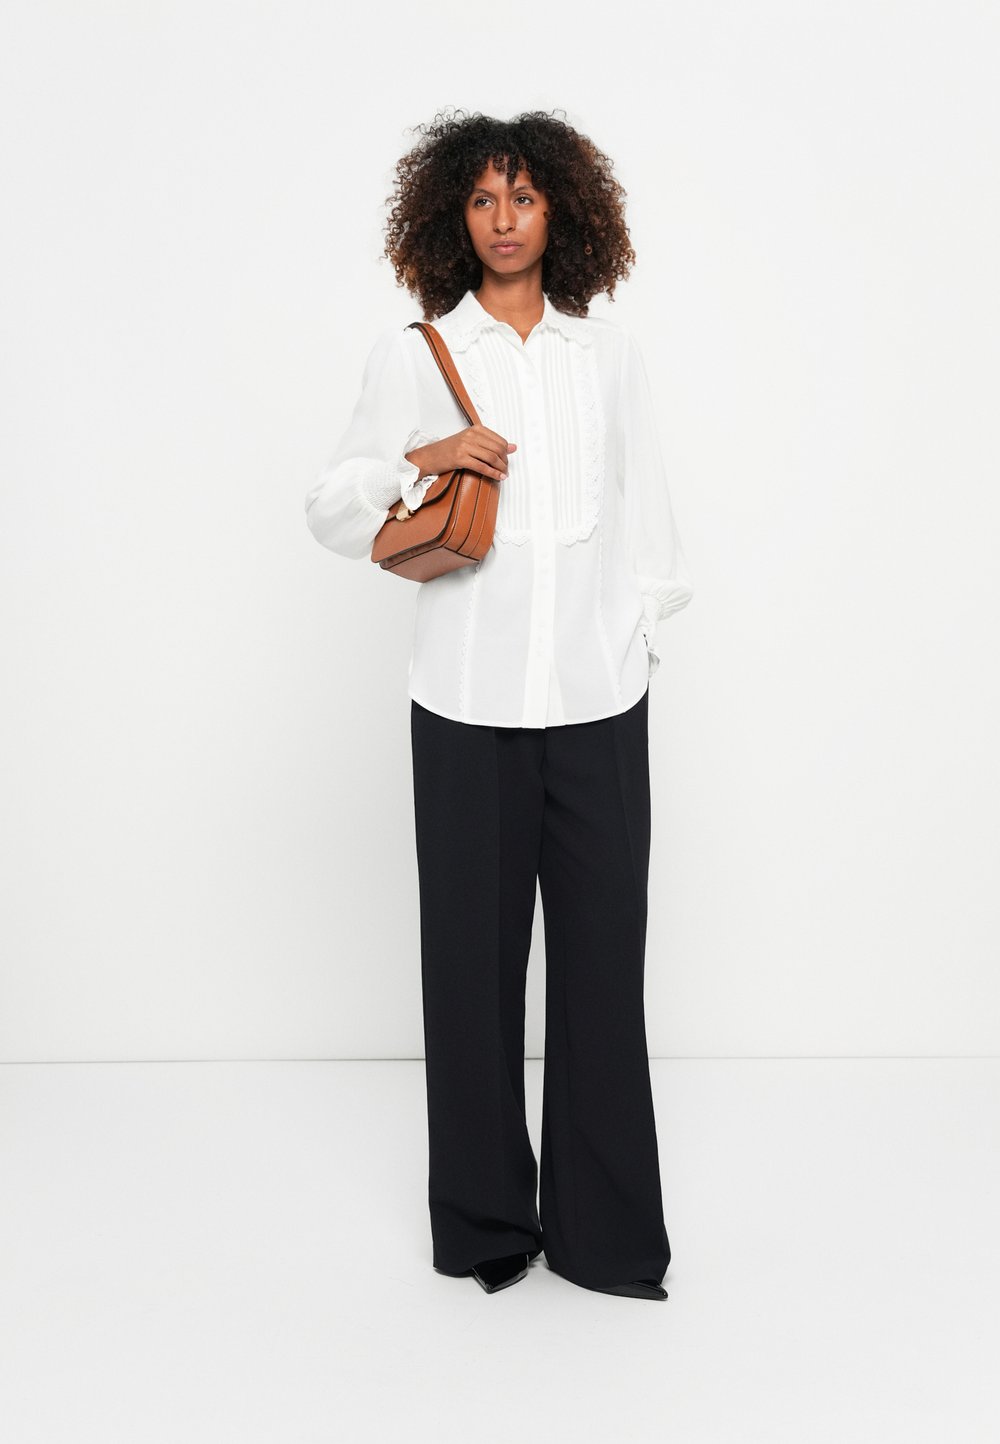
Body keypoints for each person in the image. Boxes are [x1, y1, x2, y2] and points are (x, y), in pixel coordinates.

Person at [304, 108, 694, 1300]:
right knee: (471, 974)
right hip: (465, 705)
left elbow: (646, 514)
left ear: (559, 210)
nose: (505, 218)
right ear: (453, 217)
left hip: (598, 701)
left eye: (523, 196)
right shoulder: (419, 353)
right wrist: (427, 458)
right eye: (482, 199)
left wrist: (634, 637)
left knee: (600, 971)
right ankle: (482, 1224)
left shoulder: (605, 353)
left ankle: (605, 1236)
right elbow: (332, 507)